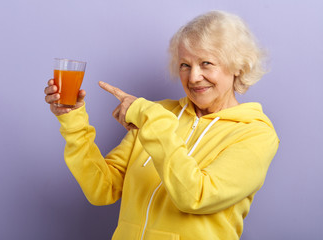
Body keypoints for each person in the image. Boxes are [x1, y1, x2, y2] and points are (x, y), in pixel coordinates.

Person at [44, 10, 279, 240]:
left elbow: (196, 196)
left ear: (238, 66)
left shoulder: (256, 134)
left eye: (206, 63)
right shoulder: (160, 115)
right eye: (185, 65)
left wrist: (147, 116)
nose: (193, 76)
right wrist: (73, 121)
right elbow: (101, 189)